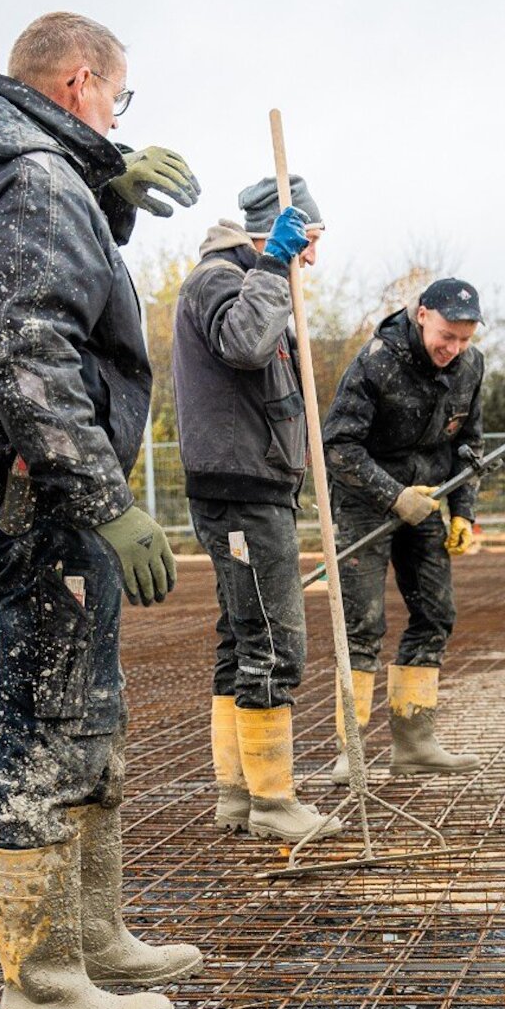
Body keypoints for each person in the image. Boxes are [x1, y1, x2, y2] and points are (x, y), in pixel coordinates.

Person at [0, 12, 203, 1009]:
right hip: (35, 484)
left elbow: (27, 281)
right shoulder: (33, 179)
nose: (119, 117)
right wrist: (103, 497)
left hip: (21, 473)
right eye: (118, 98)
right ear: (80, 83)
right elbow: (26, 346)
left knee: (86, 699)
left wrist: (106, 192)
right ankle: (40, 985)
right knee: (45, 716)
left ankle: (92, 934)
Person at [172, 176, 339, 844]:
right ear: (276, 232)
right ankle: (272, 801)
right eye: (308, 241)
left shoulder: (248, 280)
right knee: (273, 641)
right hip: (241, 492)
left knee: (243, 636)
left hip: (253, 487)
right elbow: (243, 344)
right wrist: (273, 264)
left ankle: (238, 794)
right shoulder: (221, 280)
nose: (311, 257)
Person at [321, 278, 485, 781]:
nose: (454, 348)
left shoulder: (471, 366)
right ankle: (350, 751)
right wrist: (393, 496)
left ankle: (414, 742)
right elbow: (338, 446)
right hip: (364, 500)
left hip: (428, 498)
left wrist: (463, 511)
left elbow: (469, 444)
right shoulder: (376, 361)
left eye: (465, 339)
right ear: (422, 315)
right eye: (446, 336)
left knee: (435, 614)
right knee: (363, 623)